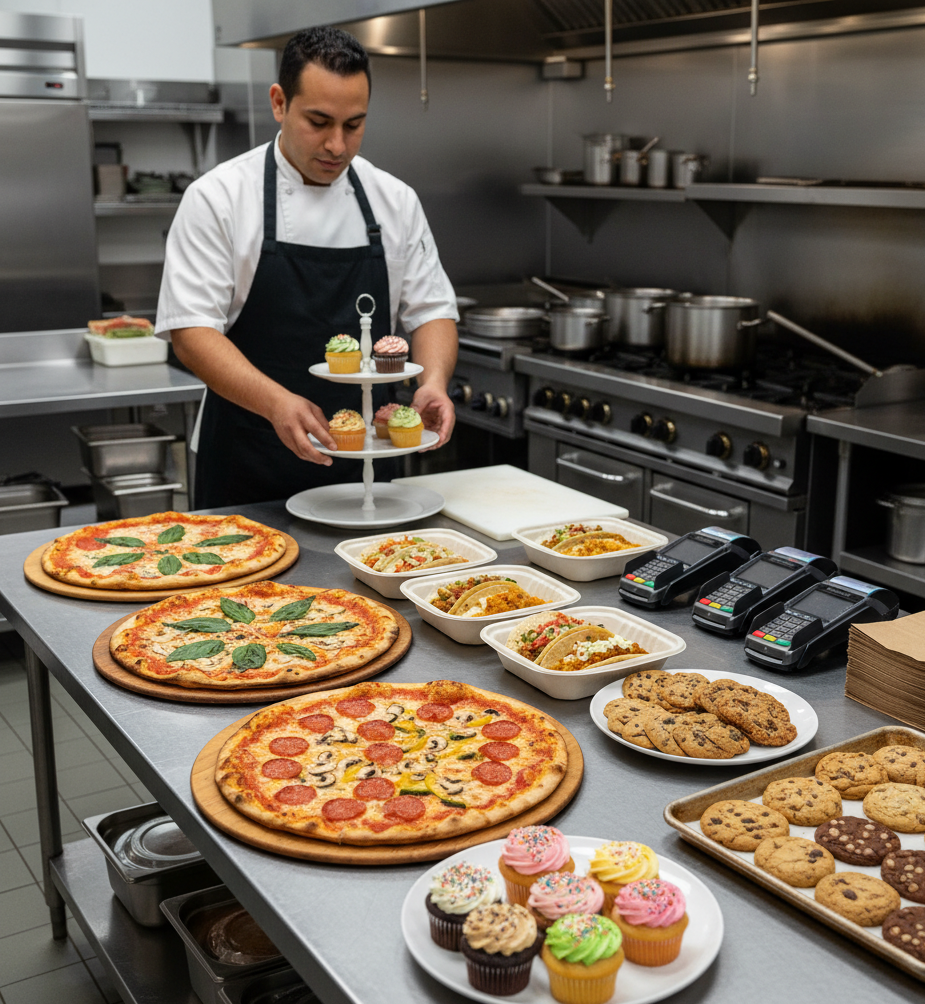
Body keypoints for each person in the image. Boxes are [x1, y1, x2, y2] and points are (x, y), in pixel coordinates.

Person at [155, 26, 458, 508]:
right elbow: (192, 333)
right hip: (248, 463)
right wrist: (277, 403)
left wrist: (433, 382)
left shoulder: (394, 200)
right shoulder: (219, 197)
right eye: (318, 122)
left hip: (369, 469)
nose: (337, 145)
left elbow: (432, 309)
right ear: (279, 103)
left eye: (354, 125)